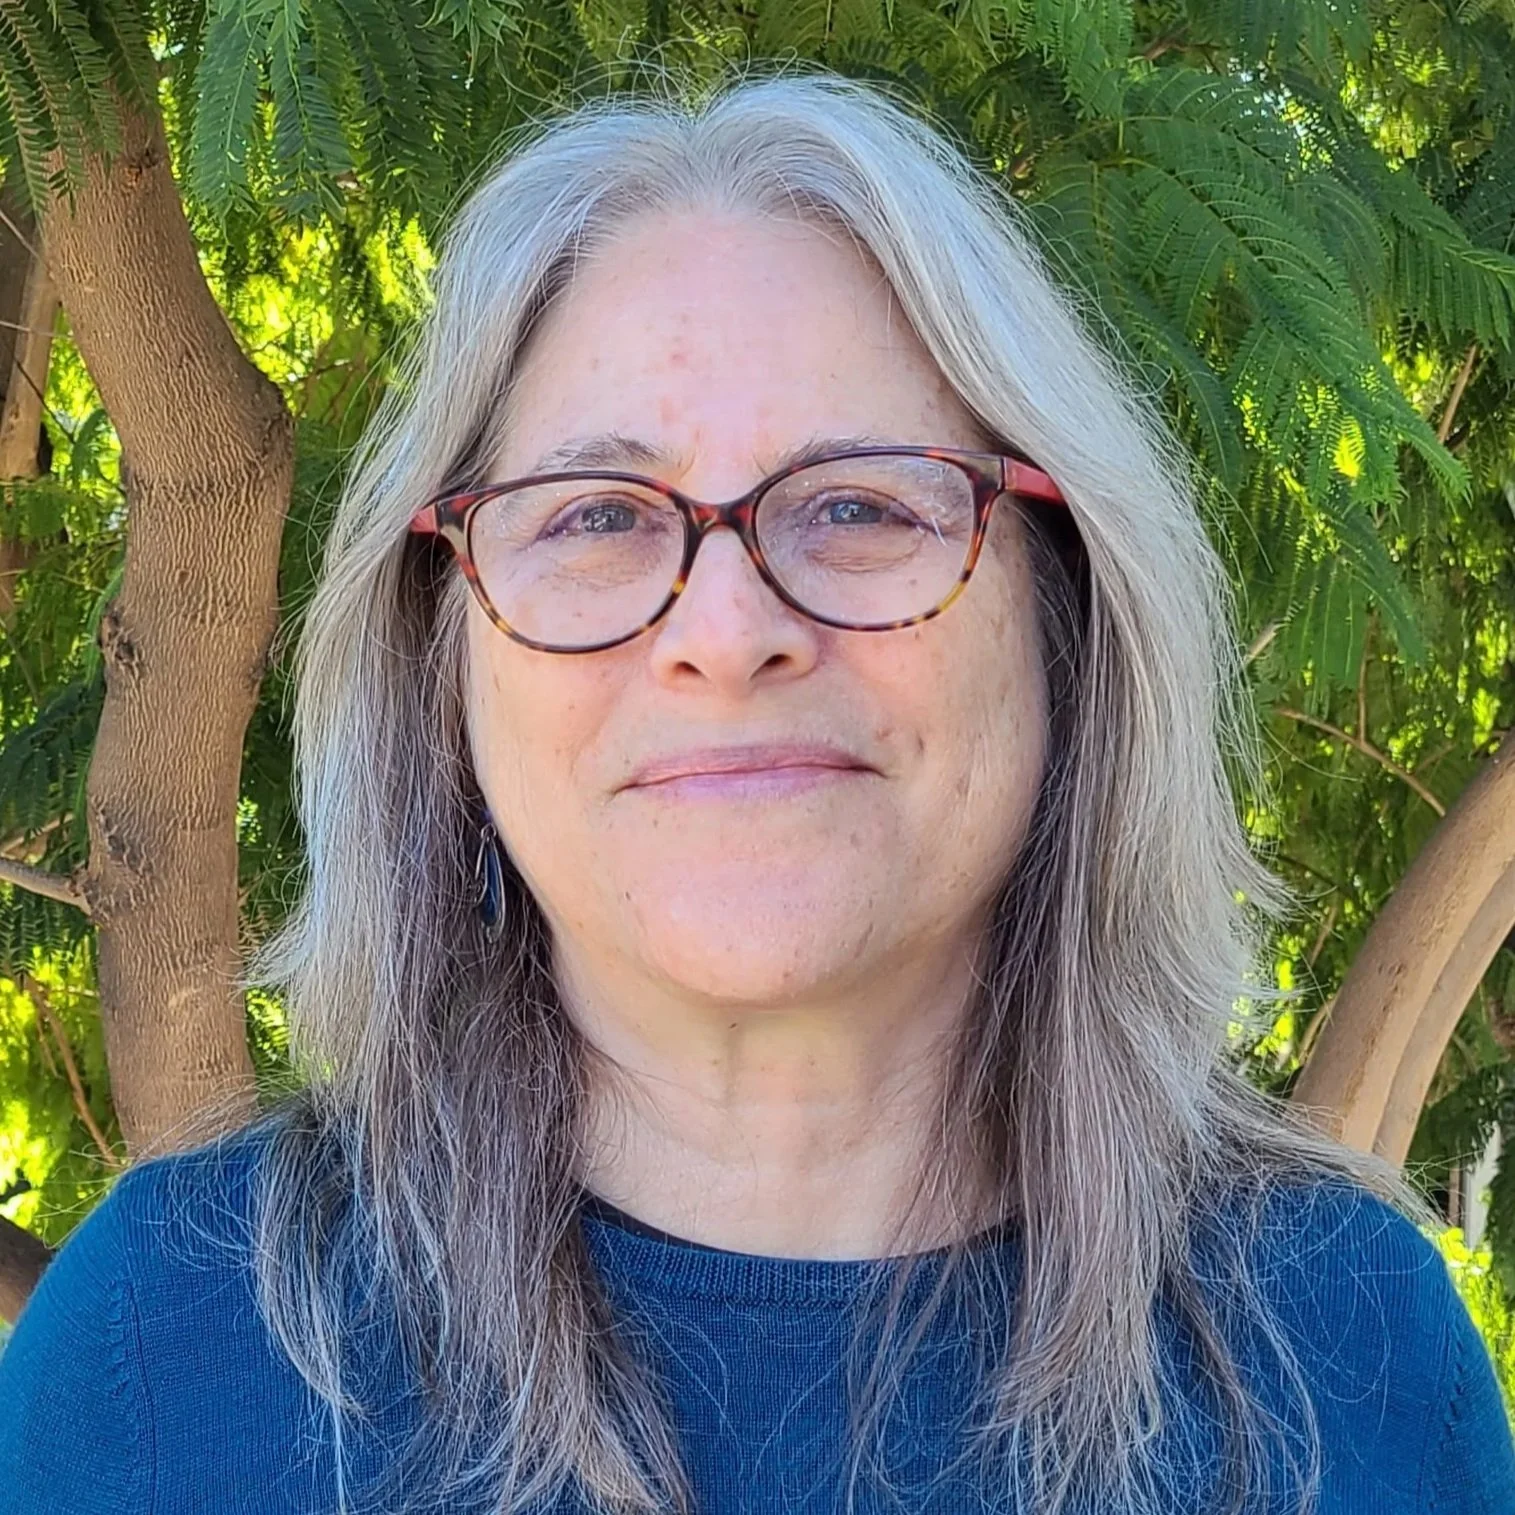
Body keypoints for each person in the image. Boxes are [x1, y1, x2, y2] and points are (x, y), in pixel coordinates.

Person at [1, 67, 1511, 1515]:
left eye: (857, 503)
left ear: (1066, 619)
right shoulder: (158, 1354)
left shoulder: (1353, 1348)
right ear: (440, 667)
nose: (725, 633)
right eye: (593, 516)